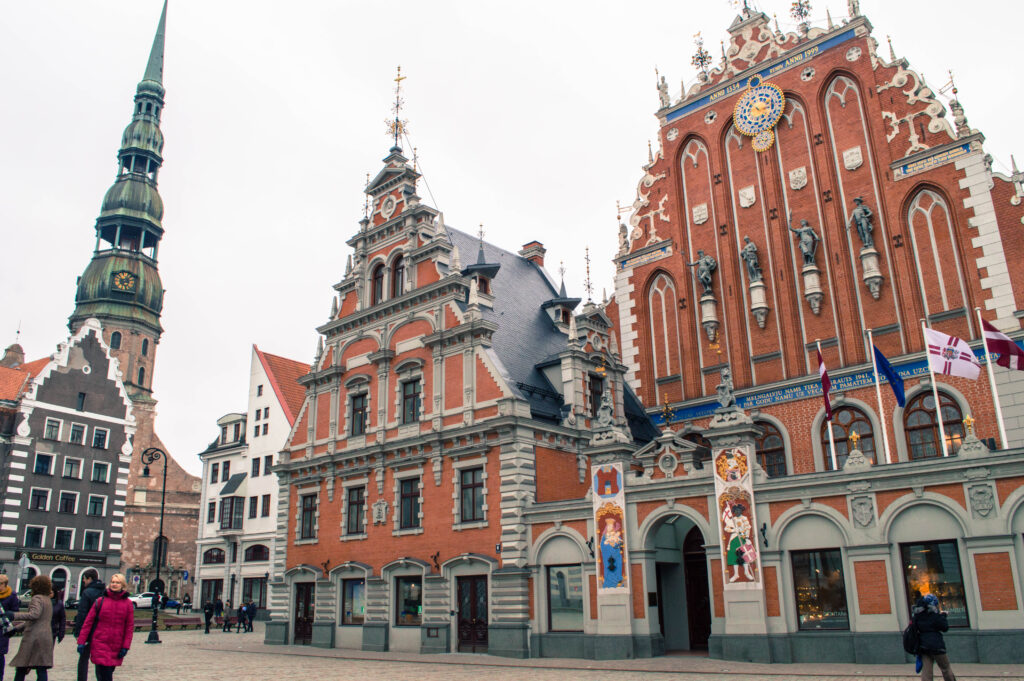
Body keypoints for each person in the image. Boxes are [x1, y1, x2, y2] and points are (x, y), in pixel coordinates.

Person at [76, 573, 133, 681]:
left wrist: (126, 646)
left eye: (117, 582)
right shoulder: (100, 601)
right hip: (100, 642)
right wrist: (81, 641)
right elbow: (88, 623)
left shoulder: (128, 604)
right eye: (112, 582)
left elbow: (129, 627)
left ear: (123, 585)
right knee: (105, 674)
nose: (114, 584)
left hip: (117, 644)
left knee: (107, 672)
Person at [9, 574, 54, 681]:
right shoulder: (47, 600)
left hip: (34, 638)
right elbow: (37, 620)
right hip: (46, 637)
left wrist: (14, 615)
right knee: (41, 668)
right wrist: (16, 629)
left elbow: (34, 615)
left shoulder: (37, 598)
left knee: (21, 666)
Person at [912, 594, 957, 681]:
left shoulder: (918, 615)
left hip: (923, 645)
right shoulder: (934, 614)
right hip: (936, 645)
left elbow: (915, 628)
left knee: (927, 671)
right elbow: (944, 627)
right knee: (945, 668)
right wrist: (943, 616)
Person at [71, 570, 104, 681]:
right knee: (100, 659)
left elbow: (82, 614)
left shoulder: (87, 592)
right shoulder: (105, 591)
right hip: (101, 630)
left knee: (84, 658)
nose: (83, 581)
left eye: (84, 578)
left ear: (89, 578)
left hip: (88, 630)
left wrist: (79, 632)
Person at [0, 574, 21, 681]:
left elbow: (15, 612)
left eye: (1, 584)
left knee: (0, 655)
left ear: (5, 584)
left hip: (2, 630)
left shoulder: (11, 595)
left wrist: (5, 615)